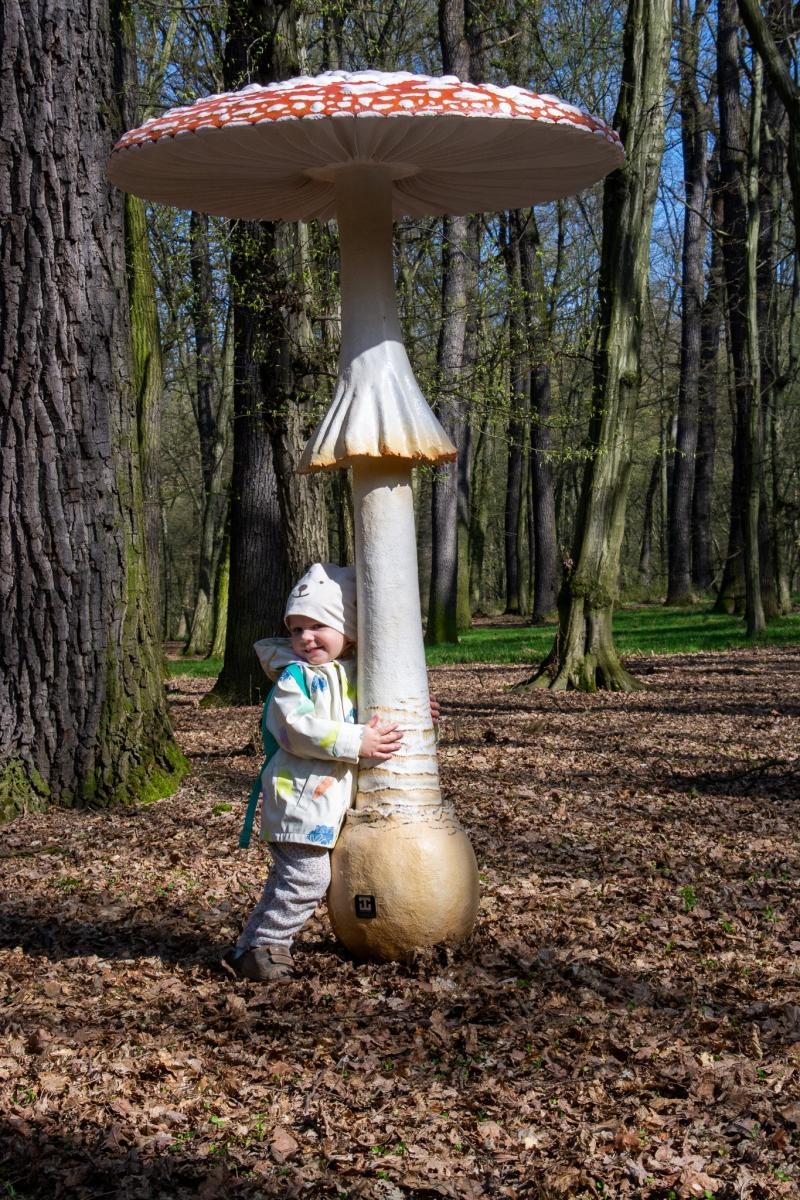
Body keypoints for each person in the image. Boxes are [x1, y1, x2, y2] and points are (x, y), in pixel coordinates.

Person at [222, 562, 403, 982]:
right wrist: (356, 741)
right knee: (307, 879)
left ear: (349, 628)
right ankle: (270, 944)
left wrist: (418, 712)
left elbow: (381, 712)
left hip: (326, 804)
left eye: (317, 626)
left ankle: (247, 950)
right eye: (297, 629)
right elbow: (294, 729)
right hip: (299, 801)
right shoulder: (296, 677)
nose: (305, 638)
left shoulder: (353, 675)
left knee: (289, 880)